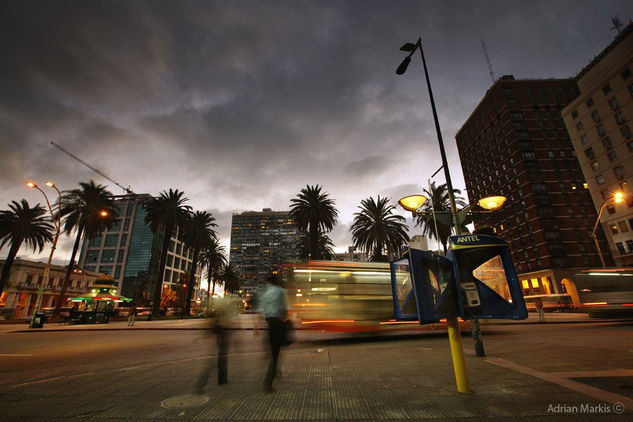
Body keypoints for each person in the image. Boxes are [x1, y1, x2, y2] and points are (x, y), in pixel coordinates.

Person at [194, 294, 239, 393]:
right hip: (222, 337)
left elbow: (212, 324)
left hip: (221, 337)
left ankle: (221, 379)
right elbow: (223, 323)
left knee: (220, 360)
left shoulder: (219, 312)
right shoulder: (225, 312)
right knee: (217, 361)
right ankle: (201, 383)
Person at [254, 272, 288, 393]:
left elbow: (261, 312)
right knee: (275, 354)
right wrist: (286, 321)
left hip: (270, 325)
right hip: (278, 324)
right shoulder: (281, 291)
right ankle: (268, 383)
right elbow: (285, 310)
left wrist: (256, 327)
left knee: (273, 351)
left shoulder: (265, 294)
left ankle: (276, 372)